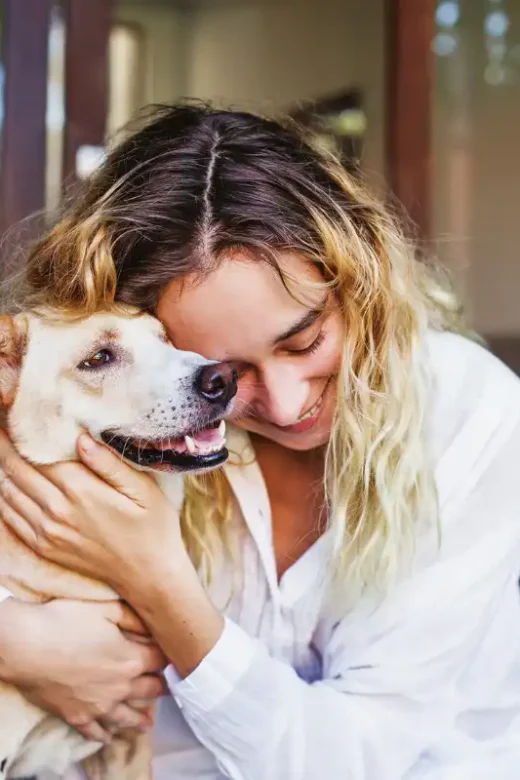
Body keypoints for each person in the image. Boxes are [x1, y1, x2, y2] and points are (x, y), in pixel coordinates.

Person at [0, 103, 519, 780]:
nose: (286, 402)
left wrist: (155, 575)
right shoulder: (118, 416)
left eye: (304, 341)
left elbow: (353, 757)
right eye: (222, 373)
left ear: (357, 280)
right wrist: (15, 640)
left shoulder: (469, 413)